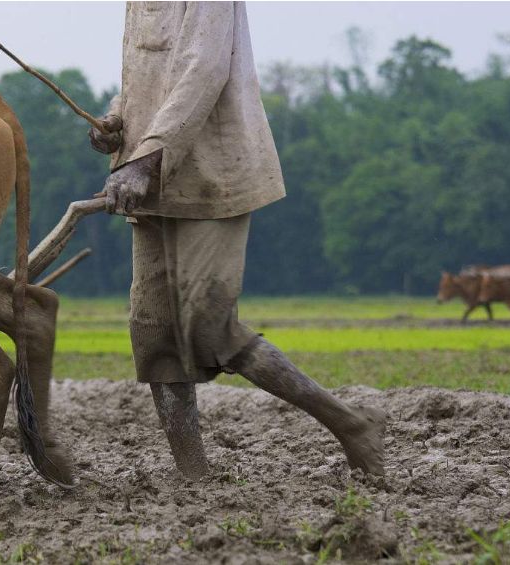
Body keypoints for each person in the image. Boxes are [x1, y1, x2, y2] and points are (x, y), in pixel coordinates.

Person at [88, 1, 384, 479]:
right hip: (151, 183)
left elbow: (201, 70)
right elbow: (144, 73)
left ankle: (351, 425)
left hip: (211, 177)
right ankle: (194, 476)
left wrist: (147, 158)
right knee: (152, 333)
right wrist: (117, 121)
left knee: (210, 328)